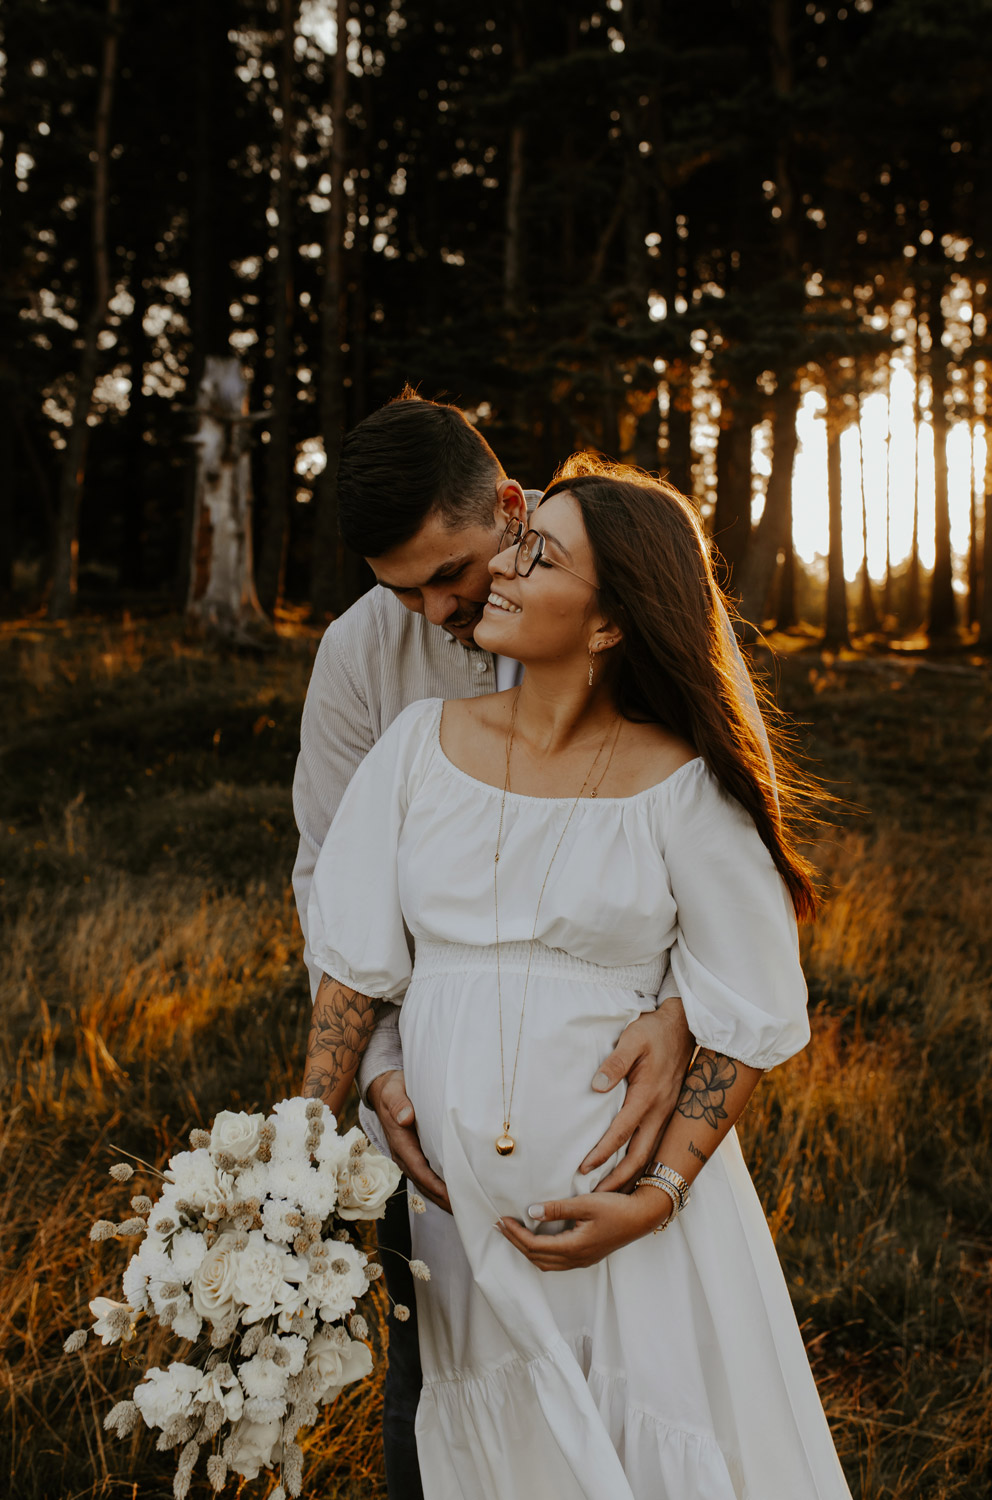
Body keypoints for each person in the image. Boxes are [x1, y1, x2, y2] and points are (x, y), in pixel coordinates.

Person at [300, 462, 852, 1499]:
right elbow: (351, 973)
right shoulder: (417, 748)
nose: (502, 573)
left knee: (646, 1453)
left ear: (607, 628)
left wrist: (656, 1197)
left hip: (626, 1232)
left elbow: (752, 1009)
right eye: (517, 544)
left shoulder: (682, 786)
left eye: (537, 556)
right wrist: (288, 1172)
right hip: (461, 1227)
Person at [292, 394, 707, 1497]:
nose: (436, 608)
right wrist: (375, 1077)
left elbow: (716, 844)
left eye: (452, 573)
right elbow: (330, 882)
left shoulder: (613, 599)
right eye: (402, 590)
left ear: (510, 509)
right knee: (437, 1379)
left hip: (615, 1113)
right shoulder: (362, 664)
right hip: (429, 1106)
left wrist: (682, 1012)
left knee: (634, 1378)